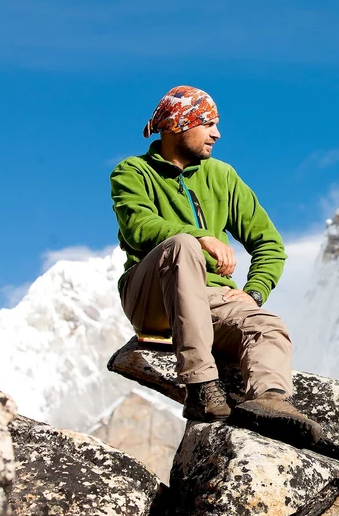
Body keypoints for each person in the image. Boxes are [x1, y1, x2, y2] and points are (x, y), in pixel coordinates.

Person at [110, 85, 322, 445]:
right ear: (178, 124)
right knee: (181, 247)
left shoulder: (222, 176)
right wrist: (200, 236)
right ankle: (201, 386)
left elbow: (269, 243)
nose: (217, 133)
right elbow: (138, 228)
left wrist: (253, 294)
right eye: (208, 123)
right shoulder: (132, 172)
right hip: (151, 298)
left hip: (208, 298)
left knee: (266, 325)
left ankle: (269, 401)